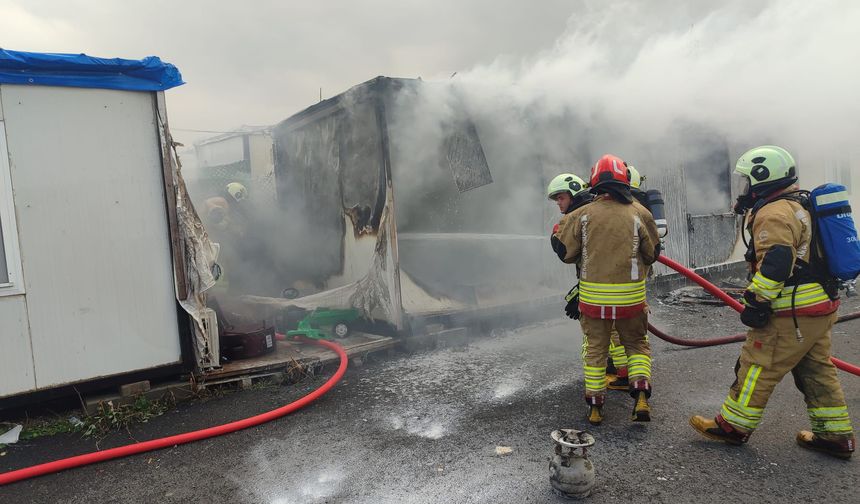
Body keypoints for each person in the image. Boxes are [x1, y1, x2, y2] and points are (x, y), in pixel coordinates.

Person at [690, 145, 855, 459]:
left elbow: (777, 261)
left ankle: (733, 427)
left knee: (757, 365)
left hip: (792, 311)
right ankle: (835, 436)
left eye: (746, 180)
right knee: (816, 370)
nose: (743, 188)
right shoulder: (798, 204)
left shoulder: (773, 212)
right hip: (819, 307)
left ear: (762, 178)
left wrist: (757, 300)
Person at [552, 155, 661, 425]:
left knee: (596, 350)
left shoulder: (580, 215)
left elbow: (566, 254)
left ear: (594, 184)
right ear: (625, 182)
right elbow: (653, 253)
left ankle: (596, 409)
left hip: (593, 301)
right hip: (632, 300)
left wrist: (557, 233)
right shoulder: (640, 213)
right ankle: (641, 399)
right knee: (636, 345)